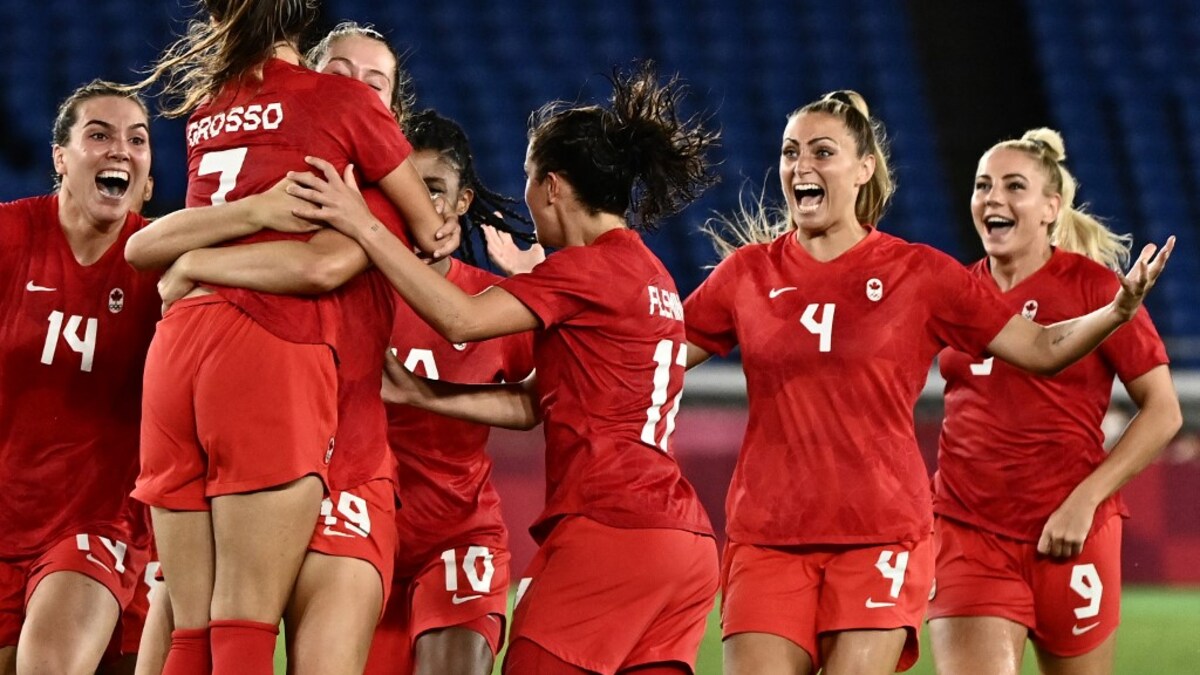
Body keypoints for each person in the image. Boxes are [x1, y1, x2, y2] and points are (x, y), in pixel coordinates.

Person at [680, 91, 1174, 675]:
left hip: (888, 535)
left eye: (821, 152)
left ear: (863, 170)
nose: (800, 166)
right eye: (790, 153)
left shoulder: (921, 275)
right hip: (790, 534)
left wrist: (1116, 312)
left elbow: (1042, 348)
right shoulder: (748, 274)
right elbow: (654, 358)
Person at [285, 61, 721, 675]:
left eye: (527, 180)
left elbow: (459, 319)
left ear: (552, 187)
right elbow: (531, 403)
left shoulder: (586, 270)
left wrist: (362, 226)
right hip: (684, 545)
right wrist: (429, 395)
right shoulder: (652, 277)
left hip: (608, 531)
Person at [123, 2, 450, 673]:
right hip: (275, 365)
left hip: (182, 347)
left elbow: (152, 246)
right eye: (345, 69)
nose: (358, 84)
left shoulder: (215, 105)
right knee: (241, 621)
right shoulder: (350, 145)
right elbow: (396, 241)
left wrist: (194, 265)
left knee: (190, 624)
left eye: (375, 79)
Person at [926, 129, 1182, 675]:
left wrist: (1085, 500)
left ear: (1051, 208)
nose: (992, 198)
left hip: (1070, 531)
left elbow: (1164, 411)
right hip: (967, 529)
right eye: (982, 186)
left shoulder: (1097, 290)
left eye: (1013, 186)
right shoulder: (953, 292)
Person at [363, 109, 535, 675]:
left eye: (434, 190)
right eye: (403, 188)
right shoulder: (339, 292)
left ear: (463, 203)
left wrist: (548, 277)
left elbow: (548, 397)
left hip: (459, 537)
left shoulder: (496, 306)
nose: (417, 206)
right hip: (357, 540)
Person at [0, 80, 157, 675]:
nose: (121, 149)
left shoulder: (163, 257)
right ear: (60, 158)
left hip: (97, 520)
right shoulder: (11, 235)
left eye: (137, 139)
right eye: (100, 134)